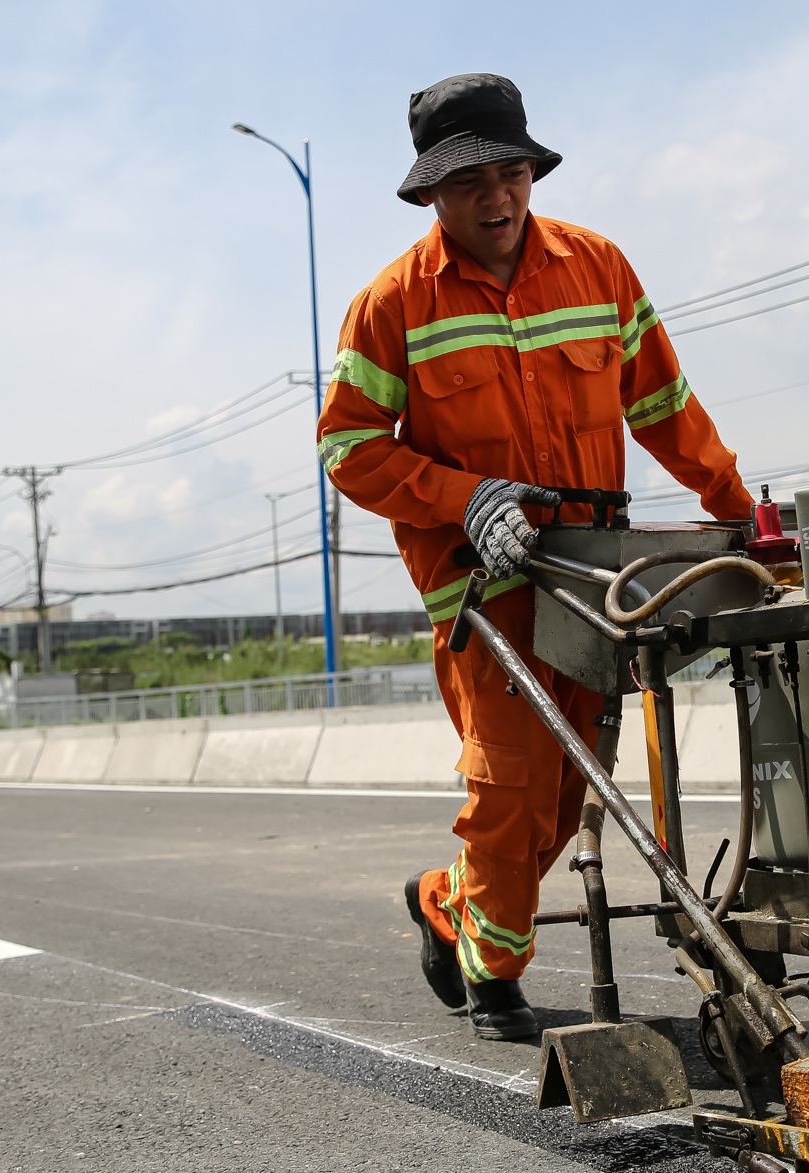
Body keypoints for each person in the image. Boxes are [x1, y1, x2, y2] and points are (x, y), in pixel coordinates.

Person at [316, 73, 753, 1039]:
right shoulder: (391, 304)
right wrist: (461, 497)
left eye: (511, 173)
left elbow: (665, 409)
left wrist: (739, 509)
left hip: (595, 572)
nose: (498, 197)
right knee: (511, 784)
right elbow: (346, 447)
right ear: (433, 193)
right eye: (472, 181)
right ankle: (495, 969)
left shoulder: (598, 268)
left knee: (572, 787)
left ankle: (449, 901)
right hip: (482, 581)